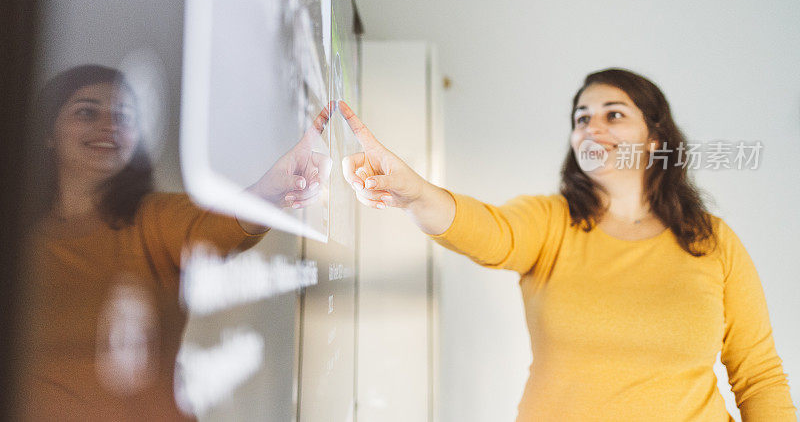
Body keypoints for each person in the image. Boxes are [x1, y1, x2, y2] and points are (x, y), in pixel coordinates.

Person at [339, 68, 797, 421]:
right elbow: (488, 231)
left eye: (613, 114)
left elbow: (758, 377)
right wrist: (417, 192)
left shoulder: (712, 240)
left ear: (655, 140)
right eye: (582, 118)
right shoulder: (550, 221)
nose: (592, 128)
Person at [17, 64, 330, 421]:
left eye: (124, 116)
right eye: (87, 112)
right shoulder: (19, 243)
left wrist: (270, 189)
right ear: (48, 133)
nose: (109, 126)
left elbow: (218, 227)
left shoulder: (149, 219)